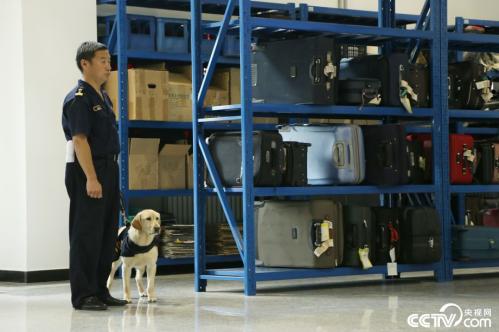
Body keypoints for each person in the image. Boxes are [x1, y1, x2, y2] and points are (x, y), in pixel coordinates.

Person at [62, 41, 127, 310]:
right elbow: (80, 141)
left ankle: (100, 290)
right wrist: (91, 177)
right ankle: (83, 294)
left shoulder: (103, 96)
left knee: (106, 233)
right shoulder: (79, 98)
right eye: (101, 60)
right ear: (84, 64)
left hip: (108, 168)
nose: (107, 64)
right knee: (86, 234)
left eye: (108, 59)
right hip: (87, 169)